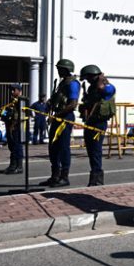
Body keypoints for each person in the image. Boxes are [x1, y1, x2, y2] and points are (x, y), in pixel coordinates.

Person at [39, 59, 80, 188]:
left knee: (63, 147)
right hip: (57, 117)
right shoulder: (61, 83)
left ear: (66, 69)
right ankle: (55, 176)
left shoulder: (73, 84)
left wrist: (56, 115)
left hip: (65, 118)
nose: (58, 70)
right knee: (53, 147)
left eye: (60, 68)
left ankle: (64, 177)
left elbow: (72, 104)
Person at [79, 64, 116, 187]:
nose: (88, 80)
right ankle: (94, 177)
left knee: (95, 151)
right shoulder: (91, 88)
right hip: (90, 121)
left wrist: (101, 80)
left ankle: (97, 179)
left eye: (89, 77)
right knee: (91, 150)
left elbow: (105, 91)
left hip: (99, 123)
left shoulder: (108, 87)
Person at [0, 83, 26, 175]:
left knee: (17, 146)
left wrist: (14, 122)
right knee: (12, 146)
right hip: (10, 125)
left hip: (17, 126)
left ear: (19, 91)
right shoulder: (12, 100)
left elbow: (22, 114)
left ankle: (19, 166)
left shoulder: (21, 100)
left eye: (14, 90)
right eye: (11, 90)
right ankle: (12, 165)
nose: (11, 92)